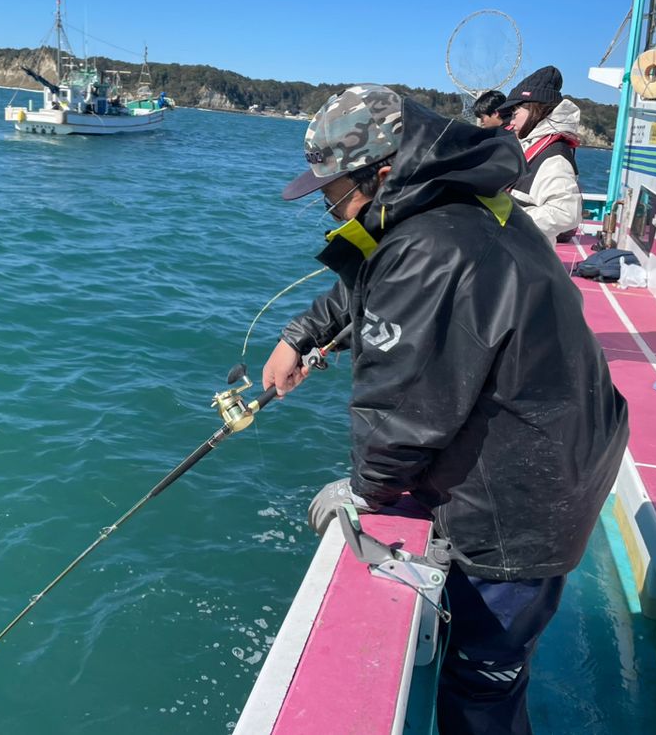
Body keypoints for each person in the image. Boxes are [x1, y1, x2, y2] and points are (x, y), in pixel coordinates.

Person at [261, 85, 628, 735]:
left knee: (481, 691)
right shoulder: (460, 203)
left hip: (523, 508)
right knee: (490, 678)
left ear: (379, 174)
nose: (327, 203)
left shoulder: (427, 245)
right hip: (568, 454)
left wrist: (361, 491)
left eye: (332, 190)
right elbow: (369, 281)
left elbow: (400, 410)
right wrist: (301, 334)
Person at [495, 66, 583, 245]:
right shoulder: (533, 146)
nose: (511, 121)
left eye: (515, 113)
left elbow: (567, 212)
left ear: (533, 109)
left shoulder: (554, 158)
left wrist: (506, 220)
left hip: (527, 262)